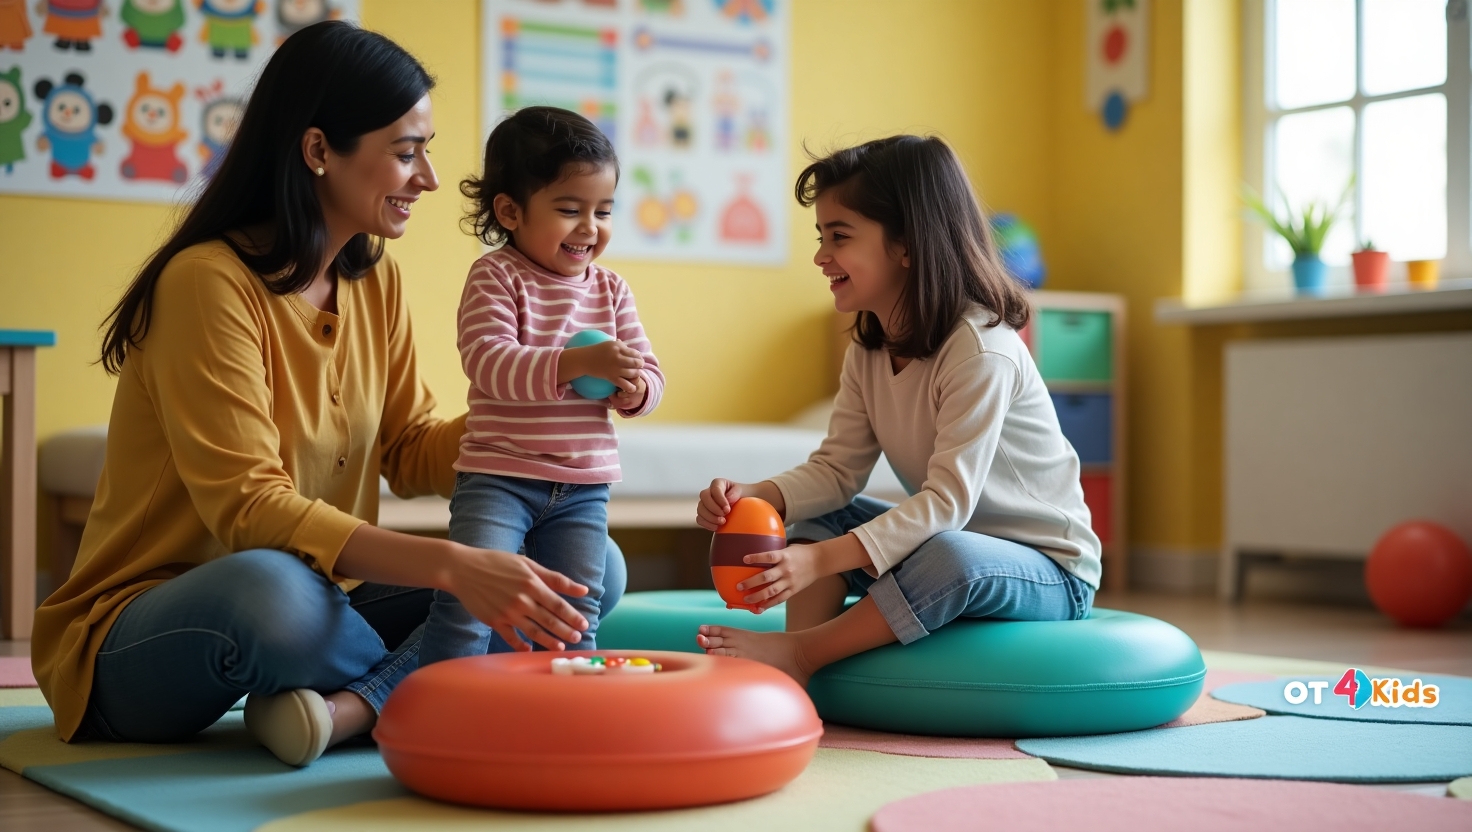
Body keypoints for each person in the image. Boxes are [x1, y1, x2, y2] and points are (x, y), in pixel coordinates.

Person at [30, 22, 626, 769]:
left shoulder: (373, 278)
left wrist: (540, 414)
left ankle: (356, 707)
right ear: (318, 152)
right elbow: (247, 508)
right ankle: (438, 683)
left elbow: (409, 452)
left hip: (327, 592)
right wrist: (453, 569)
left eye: (428, 150)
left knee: (584, 568)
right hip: (147, 626)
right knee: (277, 595)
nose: (431, 178)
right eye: (406, 153)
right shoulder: (207, 282)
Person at [693, 135, 1099, 686]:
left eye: (839, 237)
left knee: (950, 555)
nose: (820, 255)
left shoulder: (981, 350)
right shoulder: (868, 350)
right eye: (821, 236)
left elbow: (947, 504)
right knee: (818, 515)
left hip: (1046, 569)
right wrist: (757, 495)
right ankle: (793, 682)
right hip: (944, 541)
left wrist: (816, 562)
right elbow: (837, 472)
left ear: (907, 245)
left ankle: (802, 654)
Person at [419, 107, 663, 665]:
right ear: (510, 211)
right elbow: (488, 362)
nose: (590, 227)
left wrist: (635, 390)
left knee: (575, 610)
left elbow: (650, 371)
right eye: (569, 210)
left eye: (603, 211)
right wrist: (573, 365)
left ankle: (565, 716)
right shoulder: (496, 275)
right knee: (469, 602)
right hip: (499, 477)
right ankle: (444, 710)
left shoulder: (612, 289)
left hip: (583, 487)